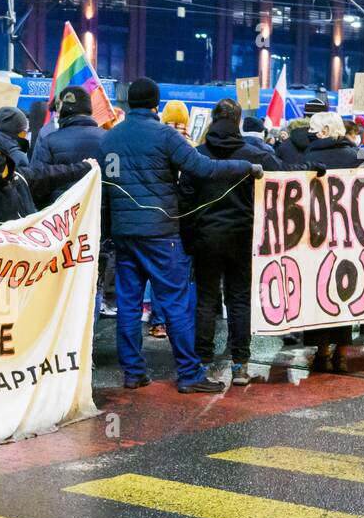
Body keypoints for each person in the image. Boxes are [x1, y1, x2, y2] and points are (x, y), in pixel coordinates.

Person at [99, 77, 261, 394]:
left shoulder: (109, 139)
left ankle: (133, 373)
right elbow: (203, 168)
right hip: (160, 233)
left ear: (130, 104)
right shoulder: (165, 136)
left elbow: (105, 192)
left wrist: (109, 231)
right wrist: (245, 166)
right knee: (174, 303)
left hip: (124, 233)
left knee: (129, 306)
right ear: (155, 105)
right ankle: (189, 374)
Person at [184, 98, 278, 387]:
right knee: (238, 300)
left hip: (206, 238)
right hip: (242, 238)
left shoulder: (197, 155)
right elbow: (286, 176)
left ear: (213, 119)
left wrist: (189, 238)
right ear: (238, 121)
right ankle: (240, 365)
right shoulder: (254, 155)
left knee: (206, 300)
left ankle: (202, 360)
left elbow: (185, 198)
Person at [301, 111, 364, 372]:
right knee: (345, 293)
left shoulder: (310, 156)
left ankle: (322, 353)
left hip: (316, 237)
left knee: (321, 294)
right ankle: (342, 354)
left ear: (322, 132)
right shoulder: (360, 155)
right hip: (353, 236)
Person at [26, 85, 103, 209]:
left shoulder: (49, 141)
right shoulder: (108, 138)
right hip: (98, 214)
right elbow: (115, 180)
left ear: (63, 110)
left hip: (60, 217)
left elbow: (37, 182)